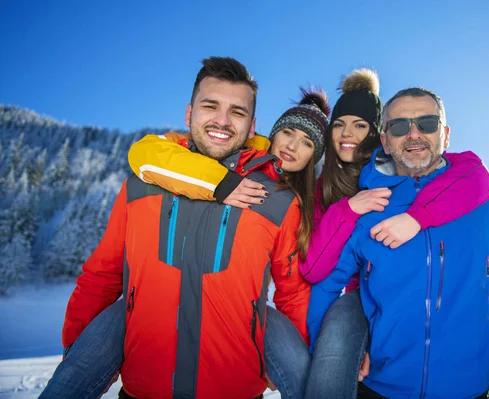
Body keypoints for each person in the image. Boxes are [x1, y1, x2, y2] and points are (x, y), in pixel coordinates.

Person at [42, 56, 312, 399]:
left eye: (238, 112)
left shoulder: (275, 200)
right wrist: (78, 355)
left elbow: (294, 294)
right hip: (144, 389)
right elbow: (102, 276)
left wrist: (287, 358)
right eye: (210, 106)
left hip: (237, 389)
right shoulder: (141, 186)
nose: (223, 121)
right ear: (189, 113)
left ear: (252, 124)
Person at [307, 86, 489, 399]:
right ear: (385, 141)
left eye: (427, 124)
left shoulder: (486, 208)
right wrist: (338, 356)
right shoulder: (368, 208)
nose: (414, 134)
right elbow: (326, 284)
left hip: (469, 390)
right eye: (400, 126)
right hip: (379, 389)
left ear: (445, 135)